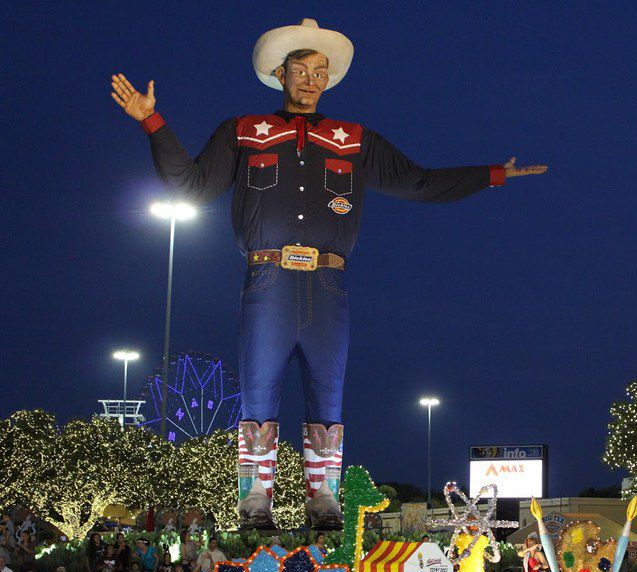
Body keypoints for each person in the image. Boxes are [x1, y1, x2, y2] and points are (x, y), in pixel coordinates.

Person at [111, 17, 546, 531]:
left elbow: (419, 182)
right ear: (279, 74)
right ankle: (255, 499)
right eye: (301, 69)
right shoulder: (244, 131)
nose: (311, 79)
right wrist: (152, 122)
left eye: (320, 71)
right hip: (268, 279)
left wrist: (492, 175)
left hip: (328, 282)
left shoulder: (354, 139)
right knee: (258, 391)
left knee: (328, 392)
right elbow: (191, 186)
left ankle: (324, 498)